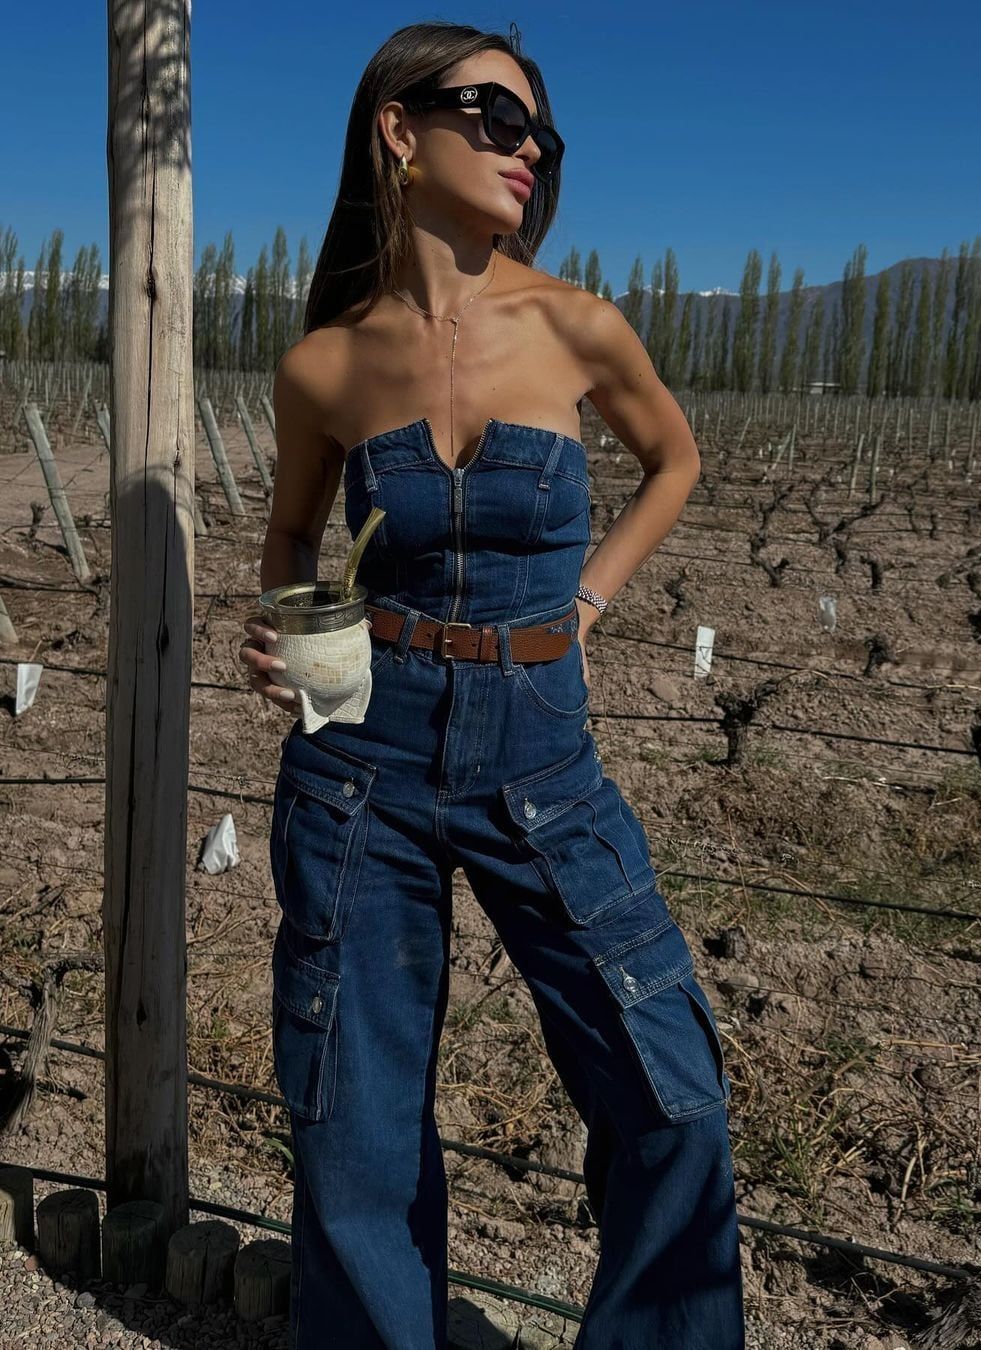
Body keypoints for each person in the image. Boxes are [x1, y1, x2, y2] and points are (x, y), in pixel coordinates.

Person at [239, 20, 745, 1350]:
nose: (530, 151)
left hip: (542, 754)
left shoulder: (577, 324)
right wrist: (299, 638)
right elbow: (291, 534)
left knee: (671, 1094)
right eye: (500, 117)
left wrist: (585, 603)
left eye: (543, 136)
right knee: (352, 1127)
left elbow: (676, 462)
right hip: (362, 757)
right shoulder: (326, 363)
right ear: (400, 130)